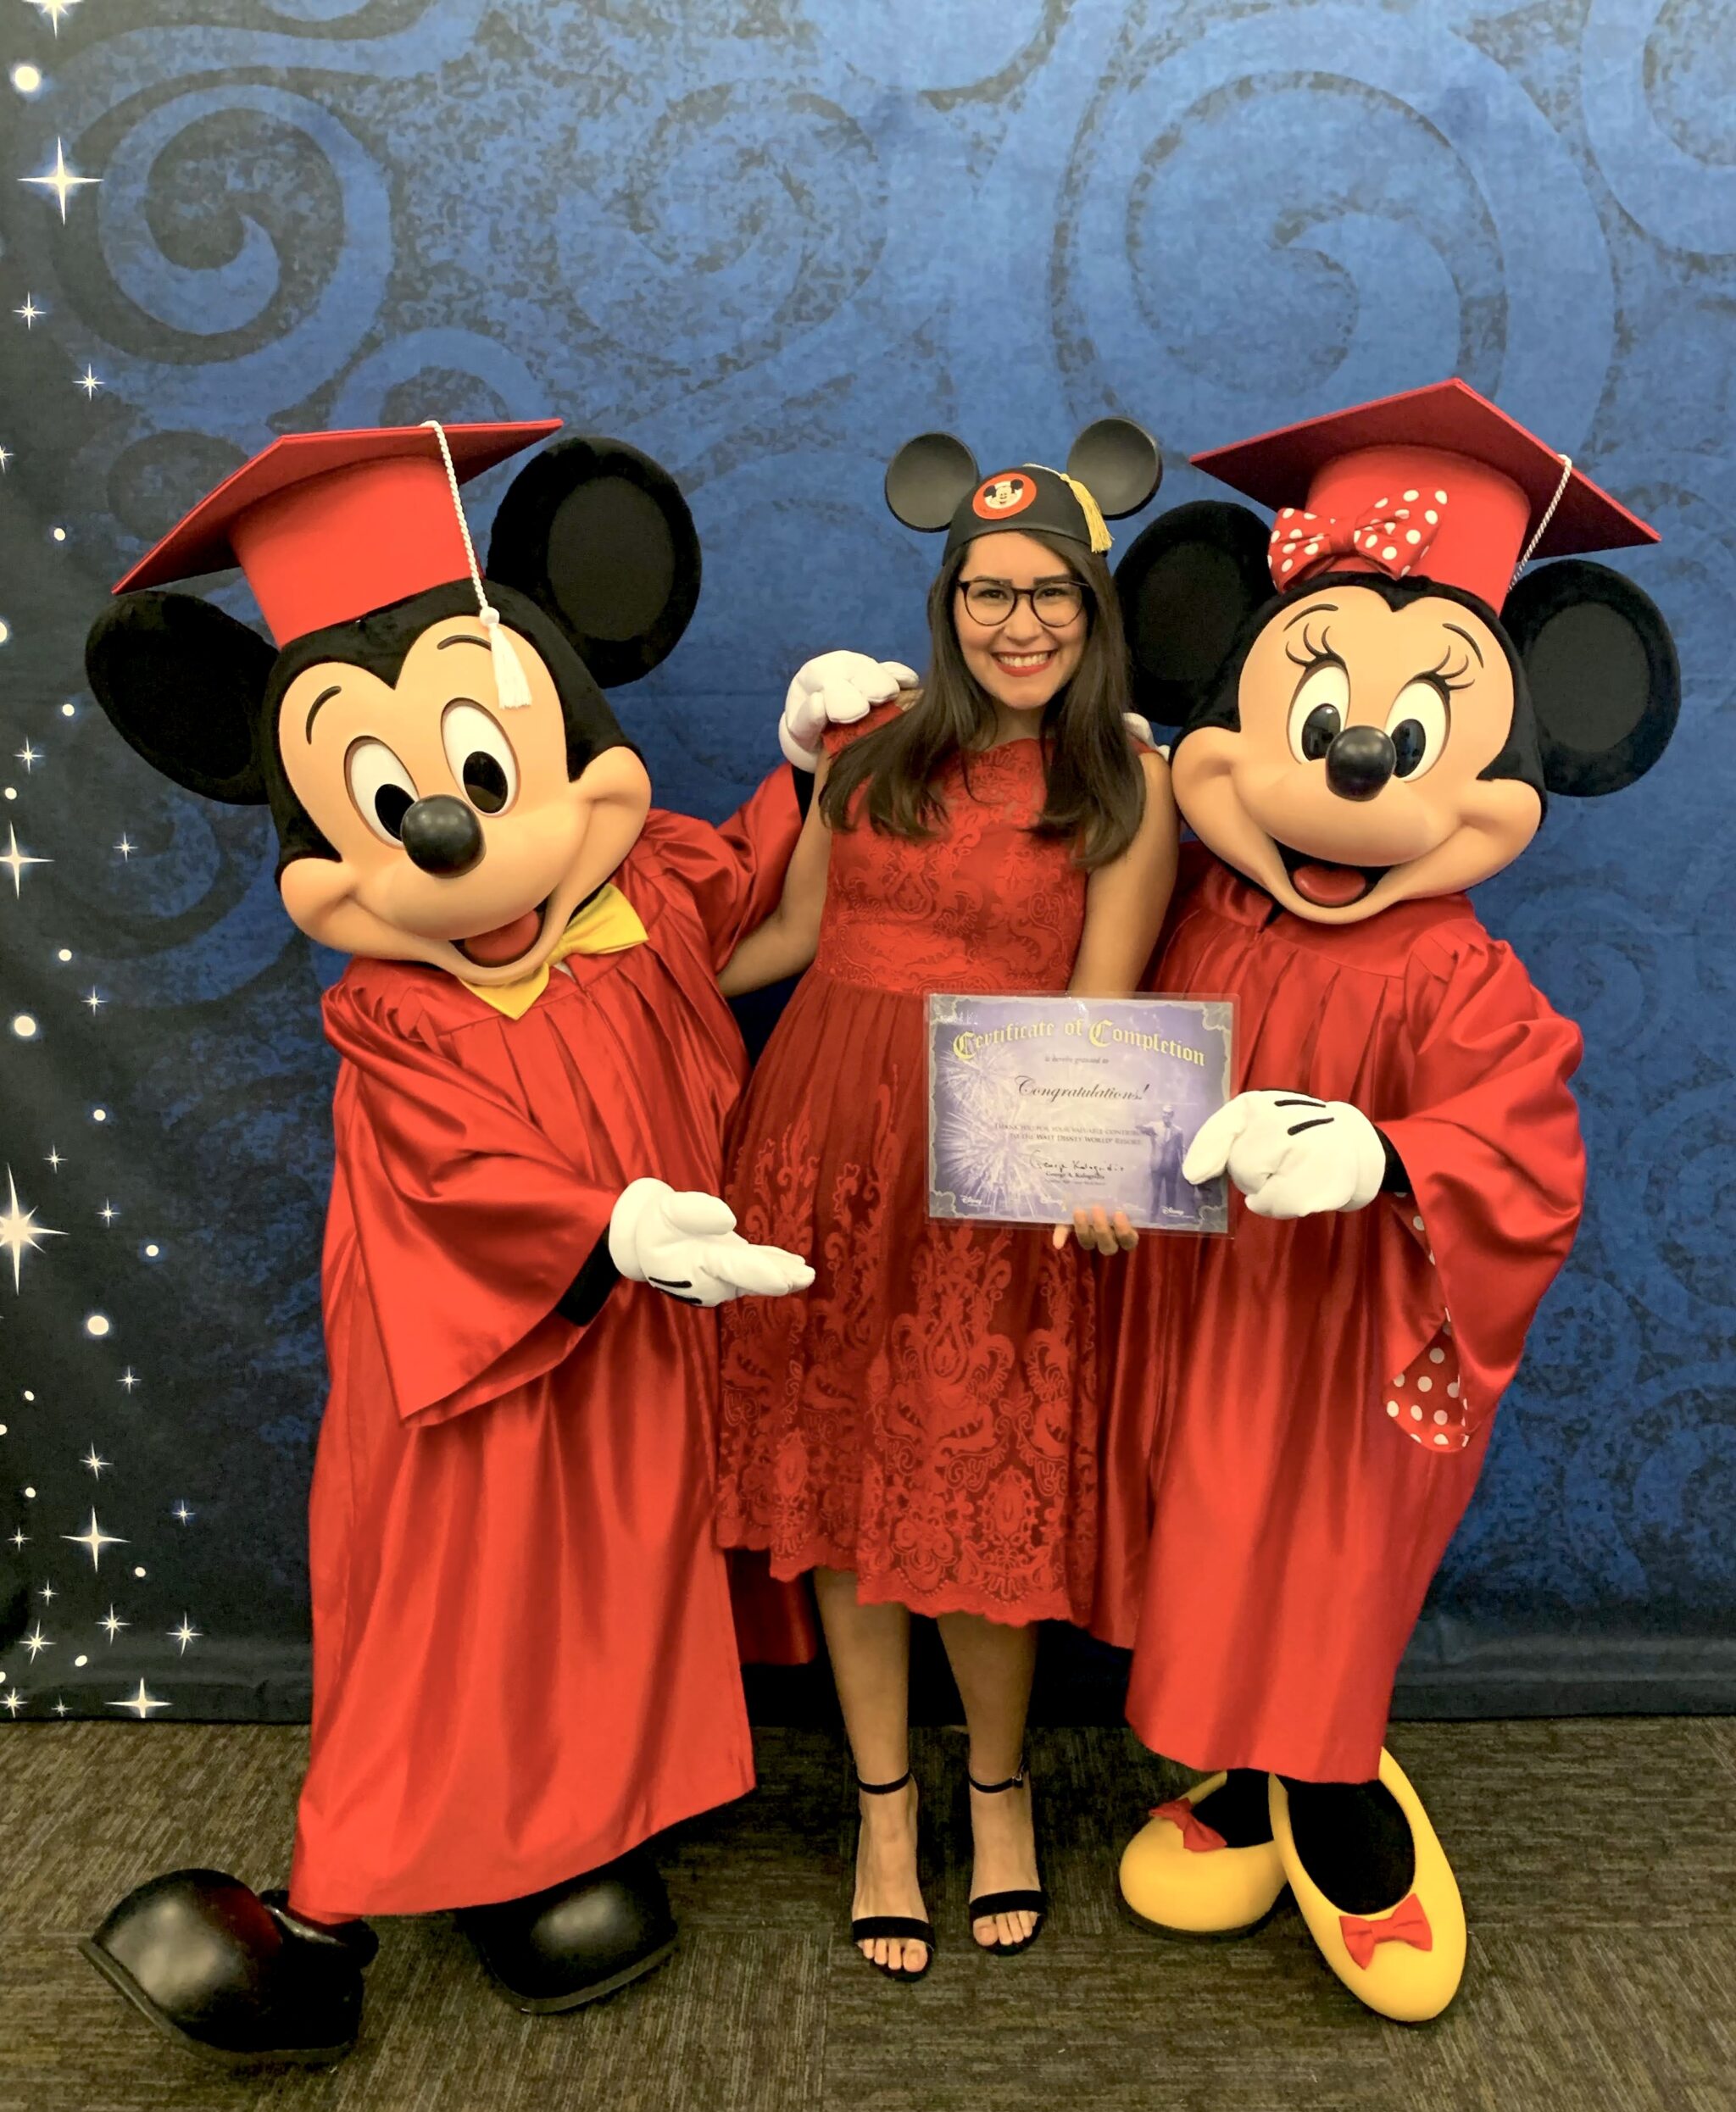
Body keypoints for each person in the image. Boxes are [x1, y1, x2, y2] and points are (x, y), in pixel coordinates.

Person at [78, 422, 815, 2065]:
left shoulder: (635, 911)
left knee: (613, 1583)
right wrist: (610, 1225)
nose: (450, 838)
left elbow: (771, 911)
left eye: (484, 772)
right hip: (470, 1378)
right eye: (388, 802)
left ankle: (564, 1849)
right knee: (464, 1612)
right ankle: (332, 1914)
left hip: (628, 1352)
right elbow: (452, 1181)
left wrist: (817, 774)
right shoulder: (396, 1021)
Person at [1104, 380, 1678, 2021]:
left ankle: (1336, 1797)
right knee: (1192, 1541)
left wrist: (1383, 1154)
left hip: (1353, 1345)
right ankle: (1237, 1775)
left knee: (1320, 1566)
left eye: (1411, 730)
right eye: (1311, 708)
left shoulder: (1456, 976)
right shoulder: (1192, 898)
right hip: (1196, 1312)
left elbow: (1527, 1155)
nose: (1349, 766)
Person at [715, 423, 1178, 1978]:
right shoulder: (870, 746)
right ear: (949, 603)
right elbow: (787, 936)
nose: (1021, 621)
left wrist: (1101, 1169)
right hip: (817, 1146)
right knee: (846, 1499)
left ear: (1095, 609)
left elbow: (1100, 1010)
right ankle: (885, 1813)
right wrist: (609, 999)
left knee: (979, 1502)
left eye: (1052, 593)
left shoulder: (1127, 782)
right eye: (990, 593)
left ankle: (999, 1799)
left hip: (986, 1169)